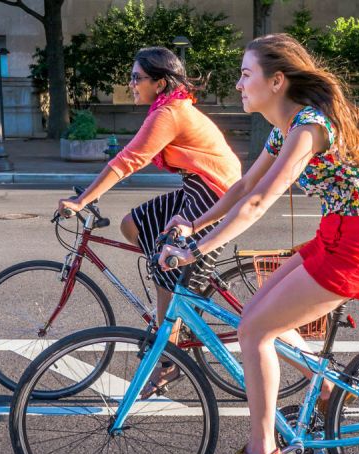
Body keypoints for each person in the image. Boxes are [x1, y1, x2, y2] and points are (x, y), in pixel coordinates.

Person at [159, 33, 359, 454]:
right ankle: (327, 388)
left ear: (277, 81)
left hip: (357, 247)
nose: (238, 84)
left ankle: (262, 450)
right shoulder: (285, 129)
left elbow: (258, 204)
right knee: (259, 318)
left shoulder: (308, 127)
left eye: (246, 74)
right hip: (335, 236)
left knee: (254, 331)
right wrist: (195, 225)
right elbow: (243, 188)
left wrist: (195, 249)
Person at [58, 47, 242, 399]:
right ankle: (178, 286)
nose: (131, 84)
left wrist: (83, 200)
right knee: (133, 224)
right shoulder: (167, 108)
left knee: (165, 267)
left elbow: (128, 161)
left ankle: (169, 357)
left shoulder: (170, 113)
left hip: (214, 191)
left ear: (159, 83)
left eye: (136, 77)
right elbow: (131, 158)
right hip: (197, 185)